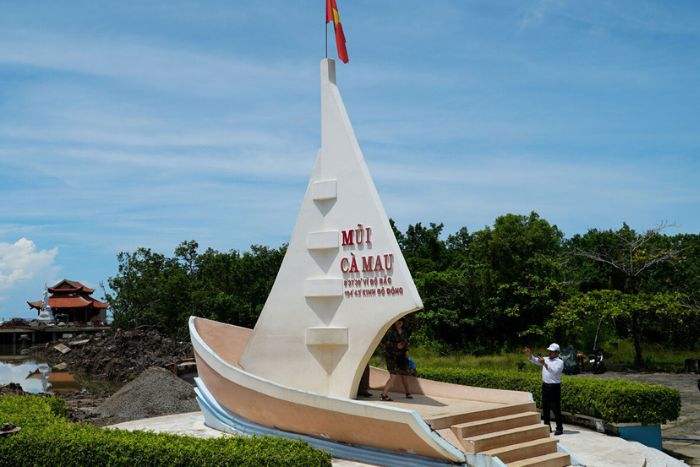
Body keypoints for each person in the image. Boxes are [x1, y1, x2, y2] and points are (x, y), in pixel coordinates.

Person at [525, 343, 564, 435]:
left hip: (554, 387)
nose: (549, 353)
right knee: (545, 407)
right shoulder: (546, 359)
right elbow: (535, 360)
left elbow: (554, 371)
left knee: (556, 408)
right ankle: (547, 426)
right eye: (549, 351)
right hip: (545, 385)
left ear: (557, 352)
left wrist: (544, 363)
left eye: (552, 351)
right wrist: (530, 354)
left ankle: (559, 428)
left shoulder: (560, 362)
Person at [380, 318, 413, 401]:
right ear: (395, 322)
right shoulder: (390, 331)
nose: (399, 323)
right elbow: (383, 343)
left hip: (401, 356)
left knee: (404, 374)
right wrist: (395, 345)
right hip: (391, 356)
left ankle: (407, 392)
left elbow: (406, 343)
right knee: (393, 375)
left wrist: (406, 351)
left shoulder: (404, 331)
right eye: (398, 321)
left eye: (401, 321)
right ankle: (383, 395)